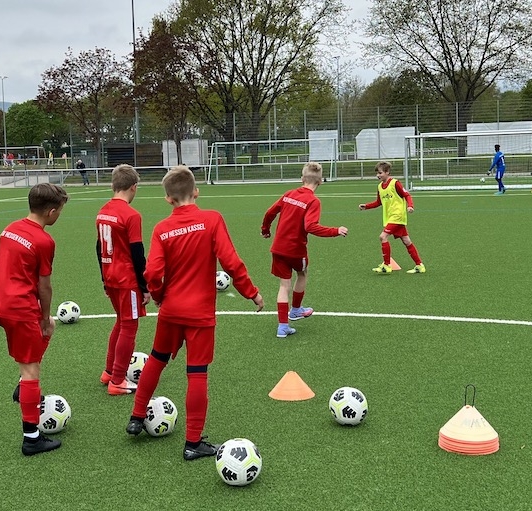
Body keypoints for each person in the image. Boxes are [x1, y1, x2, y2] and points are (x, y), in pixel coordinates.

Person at [125, 166, 263, 461]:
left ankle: (136, 417)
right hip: (200, 314)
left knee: (156, 359)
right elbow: (230, 261)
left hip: (171, 311)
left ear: (168, 199)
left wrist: (159, 296)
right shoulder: (212, 219)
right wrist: (251, 292)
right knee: (197, 373)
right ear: (196, 192)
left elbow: (153, 272)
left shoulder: (162, 228)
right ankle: (193, 442)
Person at [0, 183, 70, 456]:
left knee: (49, 330)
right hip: (19, 308)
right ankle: (31, 438)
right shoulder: (44, 241)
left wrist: (46, 322)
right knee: (31, 370)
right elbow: (44, 286)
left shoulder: (10, 228)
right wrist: (44, 316)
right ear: (51, 212)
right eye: (60, 211)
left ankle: (21, 389)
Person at [261, 161, 348, 338]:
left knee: (284, 285)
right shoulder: (313, 201)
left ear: (302, 178)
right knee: (302, 274)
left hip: (278, 247)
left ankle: (282, 327)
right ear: (320, 182)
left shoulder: (289, 194)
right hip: (296, 249)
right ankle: (295, 310)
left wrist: (265, 229)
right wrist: (335, 231)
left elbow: (270, 212)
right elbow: (310, 226)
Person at [96, 164, 150, 395]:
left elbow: (98, 247)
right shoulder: (131, 215)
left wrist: (103, 278)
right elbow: (137, 253)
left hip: (110, 276)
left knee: (120, 322)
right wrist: (145, 286)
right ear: (133, 187)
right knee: (129, 326)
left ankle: (109, 372)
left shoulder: (102, 211)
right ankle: (117, 380)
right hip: (127, 279)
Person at [359, 161, 426, 274]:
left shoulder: (395, 183)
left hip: (397, 216)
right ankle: (420, 265)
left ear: (387, 172)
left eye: (380, 173)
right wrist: (366, 206)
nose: (378, 175)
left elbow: (407, 195)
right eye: (377, 173)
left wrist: (410, 206)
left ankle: (386, 265)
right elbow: (378, 202)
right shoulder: (380, 187)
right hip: (390, 218)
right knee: (406, 241)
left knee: (383, 237)